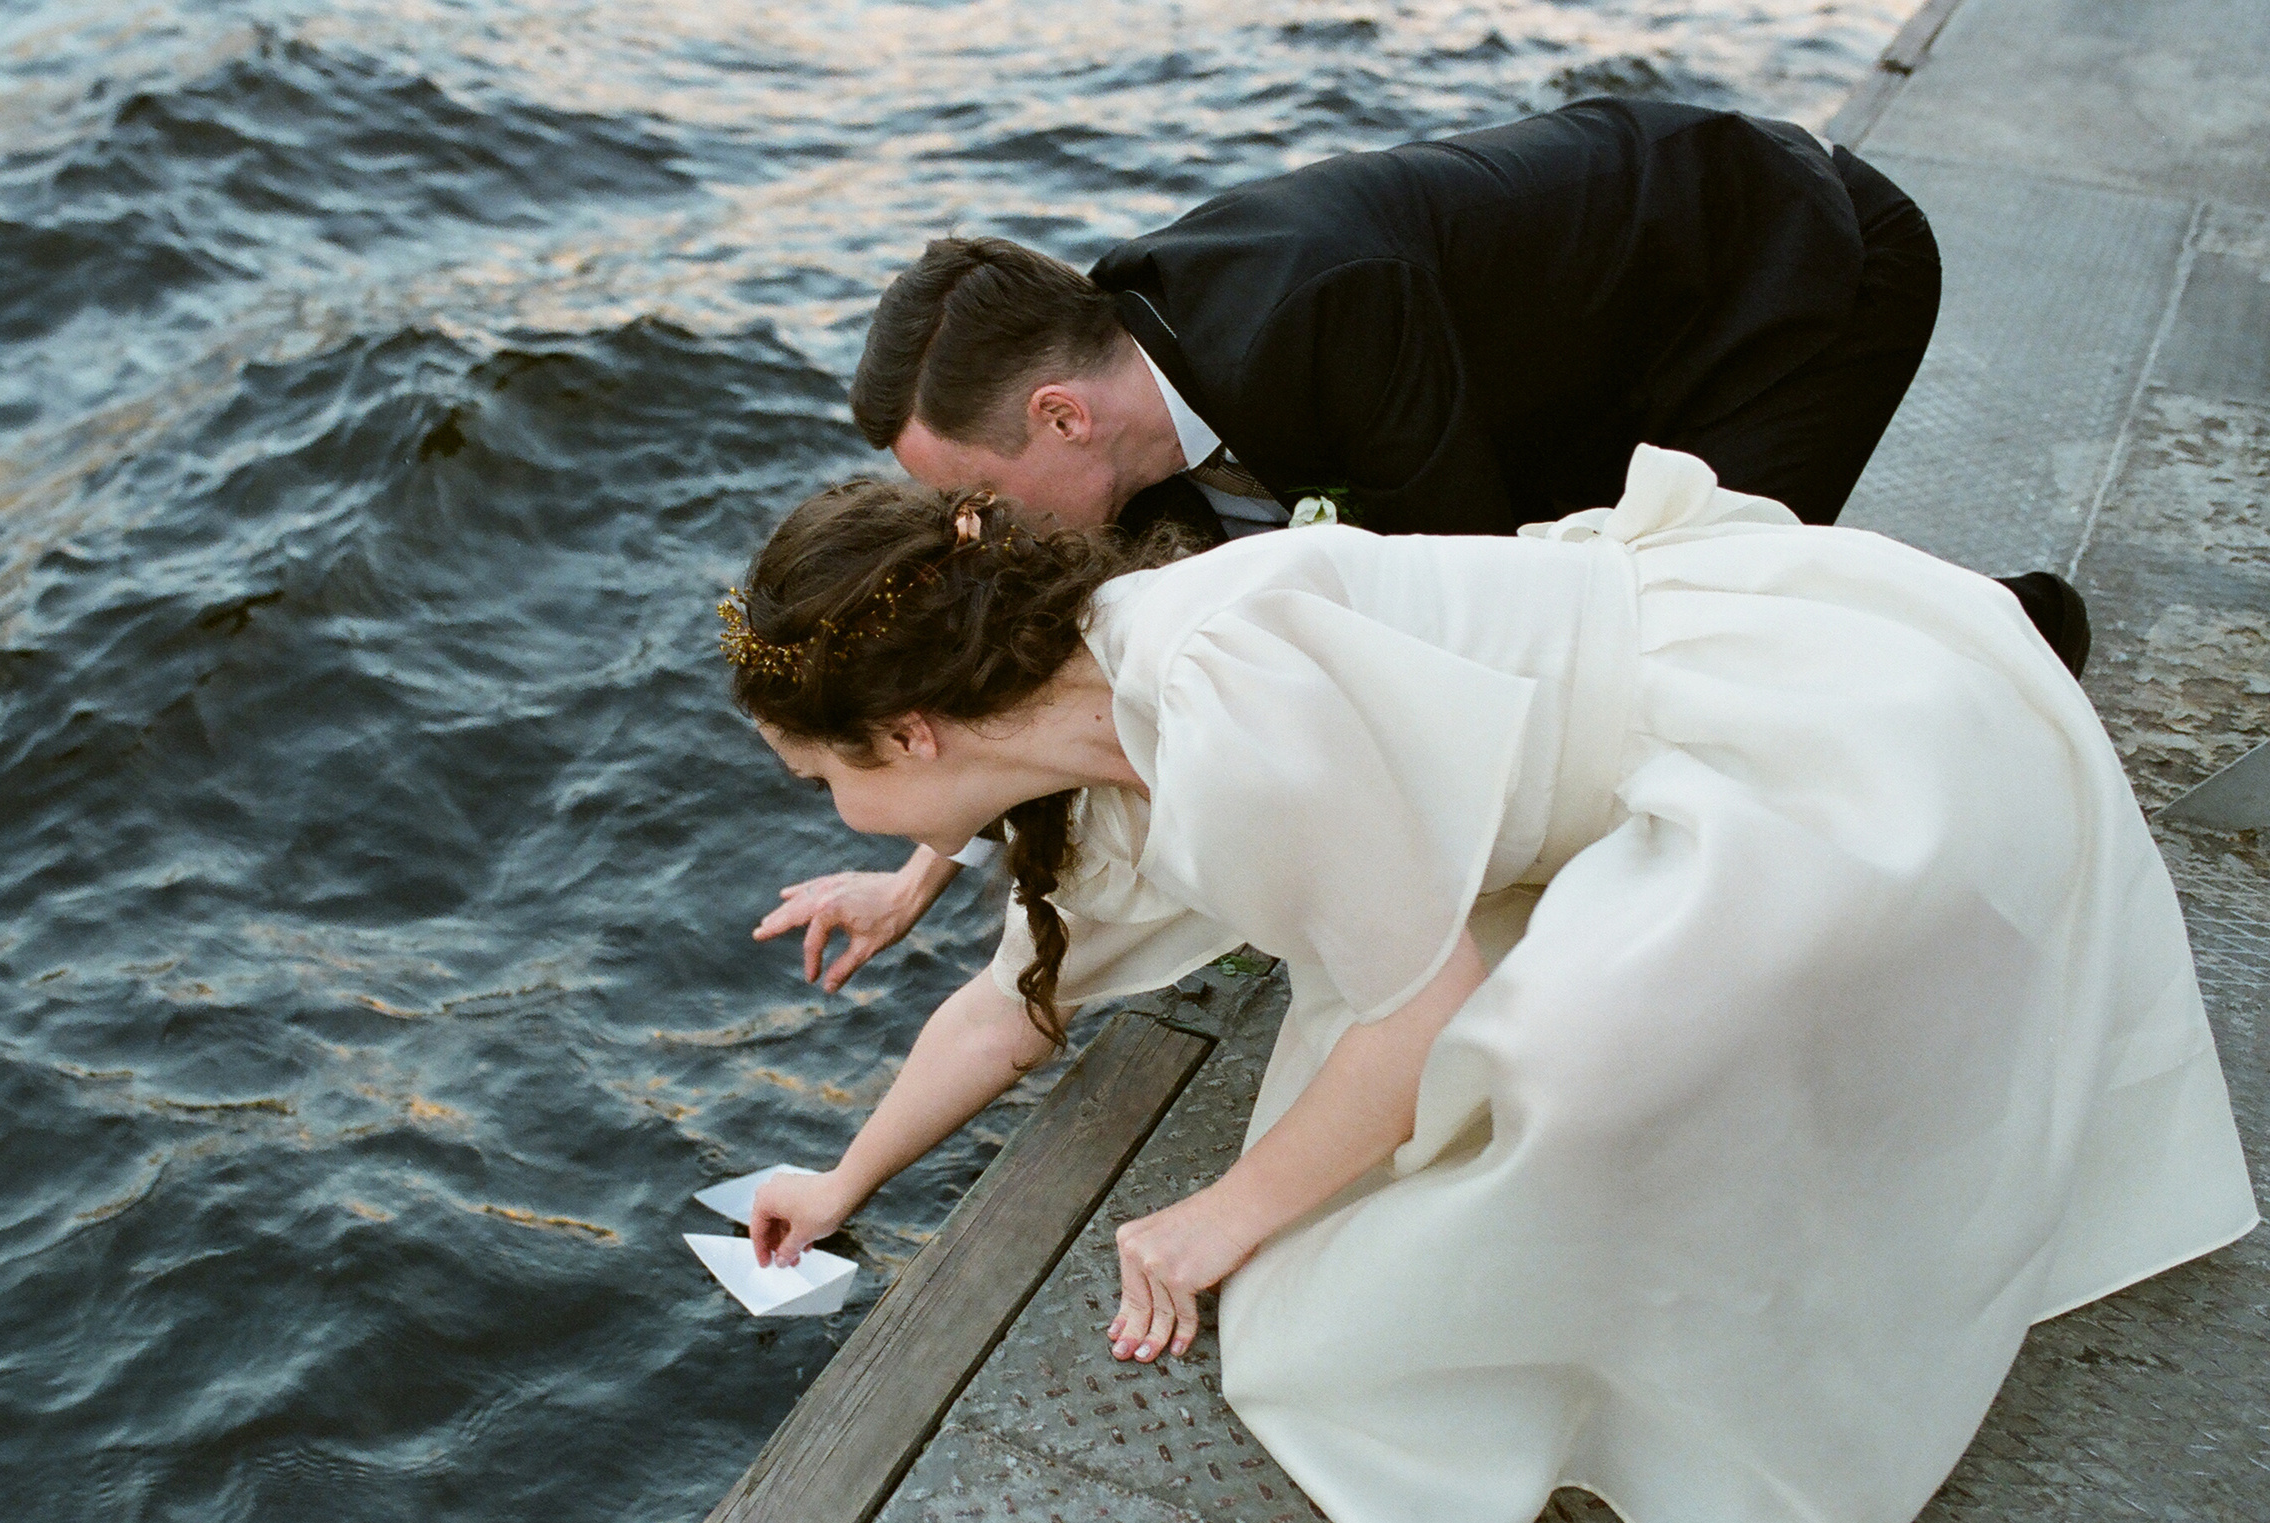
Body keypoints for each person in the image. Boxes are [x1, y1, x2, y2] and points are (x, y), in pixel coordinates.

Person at [719, 448, 2253, 1523]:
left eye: (822, 779)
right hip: (1630, 749)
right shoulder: (1088, 726)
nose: (836, 815)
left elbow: (1425, 1006)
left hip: (1783, 745)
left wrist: (1211, 1220)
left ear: (913, 731)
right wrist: (844, 1183)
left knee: (1542, 1095)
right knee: (1371, 1196)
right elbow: (1012, 1003)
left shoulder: (1210, 698)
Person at [760, 95, 2089, 992]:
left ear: (1060, 413)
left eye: (980, 496)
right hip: (1582, 354)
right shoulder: (1131, 391)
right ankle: (1931, 636)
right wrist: (915, 869)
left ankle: (2005, 635)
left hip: (1798, 263)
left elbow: (1482, 615)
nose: (979, 536)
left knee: (1685, 629)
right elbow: (1035, 658)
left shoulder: (1326, 312)